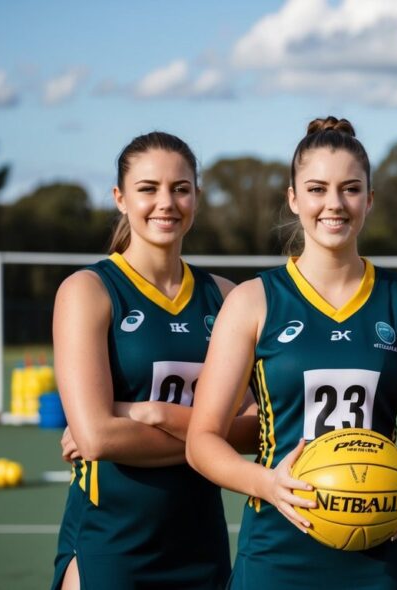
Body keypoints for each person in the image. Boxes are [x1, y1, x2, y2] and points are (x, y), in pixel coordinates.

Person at [186, 116, 397, 589]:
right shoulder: (252, 301)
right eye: (317, 189)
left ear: (370, 198)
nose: (334, 204)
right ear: (293, 198)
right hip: (277, 549)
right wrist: (267, 484)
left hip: (382, 549)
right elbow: (201, 440)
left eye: (350, 189)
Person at [50, 131, 258, 590]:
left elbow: (255, 429)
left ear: (196, 199)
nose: (166, 202)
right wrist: (206, 437)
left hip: (201, 542)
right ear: (120, 198)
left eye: (180, 189)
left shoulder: (224, 297)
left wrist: (152, 414)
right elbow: (98, 437)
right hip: (111, 540)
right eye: (148, 188)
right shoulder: (88, 291)